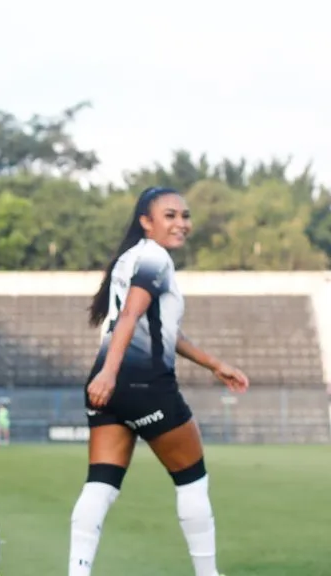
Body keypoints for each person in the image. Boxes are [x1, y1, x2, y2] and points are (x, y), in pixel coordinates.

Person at [68, 186, 249, 576]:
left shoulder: (129, 259)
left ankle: (77, 572)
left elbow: (162, 330)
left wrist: (215, 364)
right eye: (170, 215)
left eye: (185, 215)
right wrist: (111, 374)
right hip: (142, 384)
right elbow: (131, 318)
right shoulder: (155, 258)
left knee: (101, 483)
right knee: (192, 479)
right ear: (146, 222)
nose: (181, 223)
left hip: (108, 388)